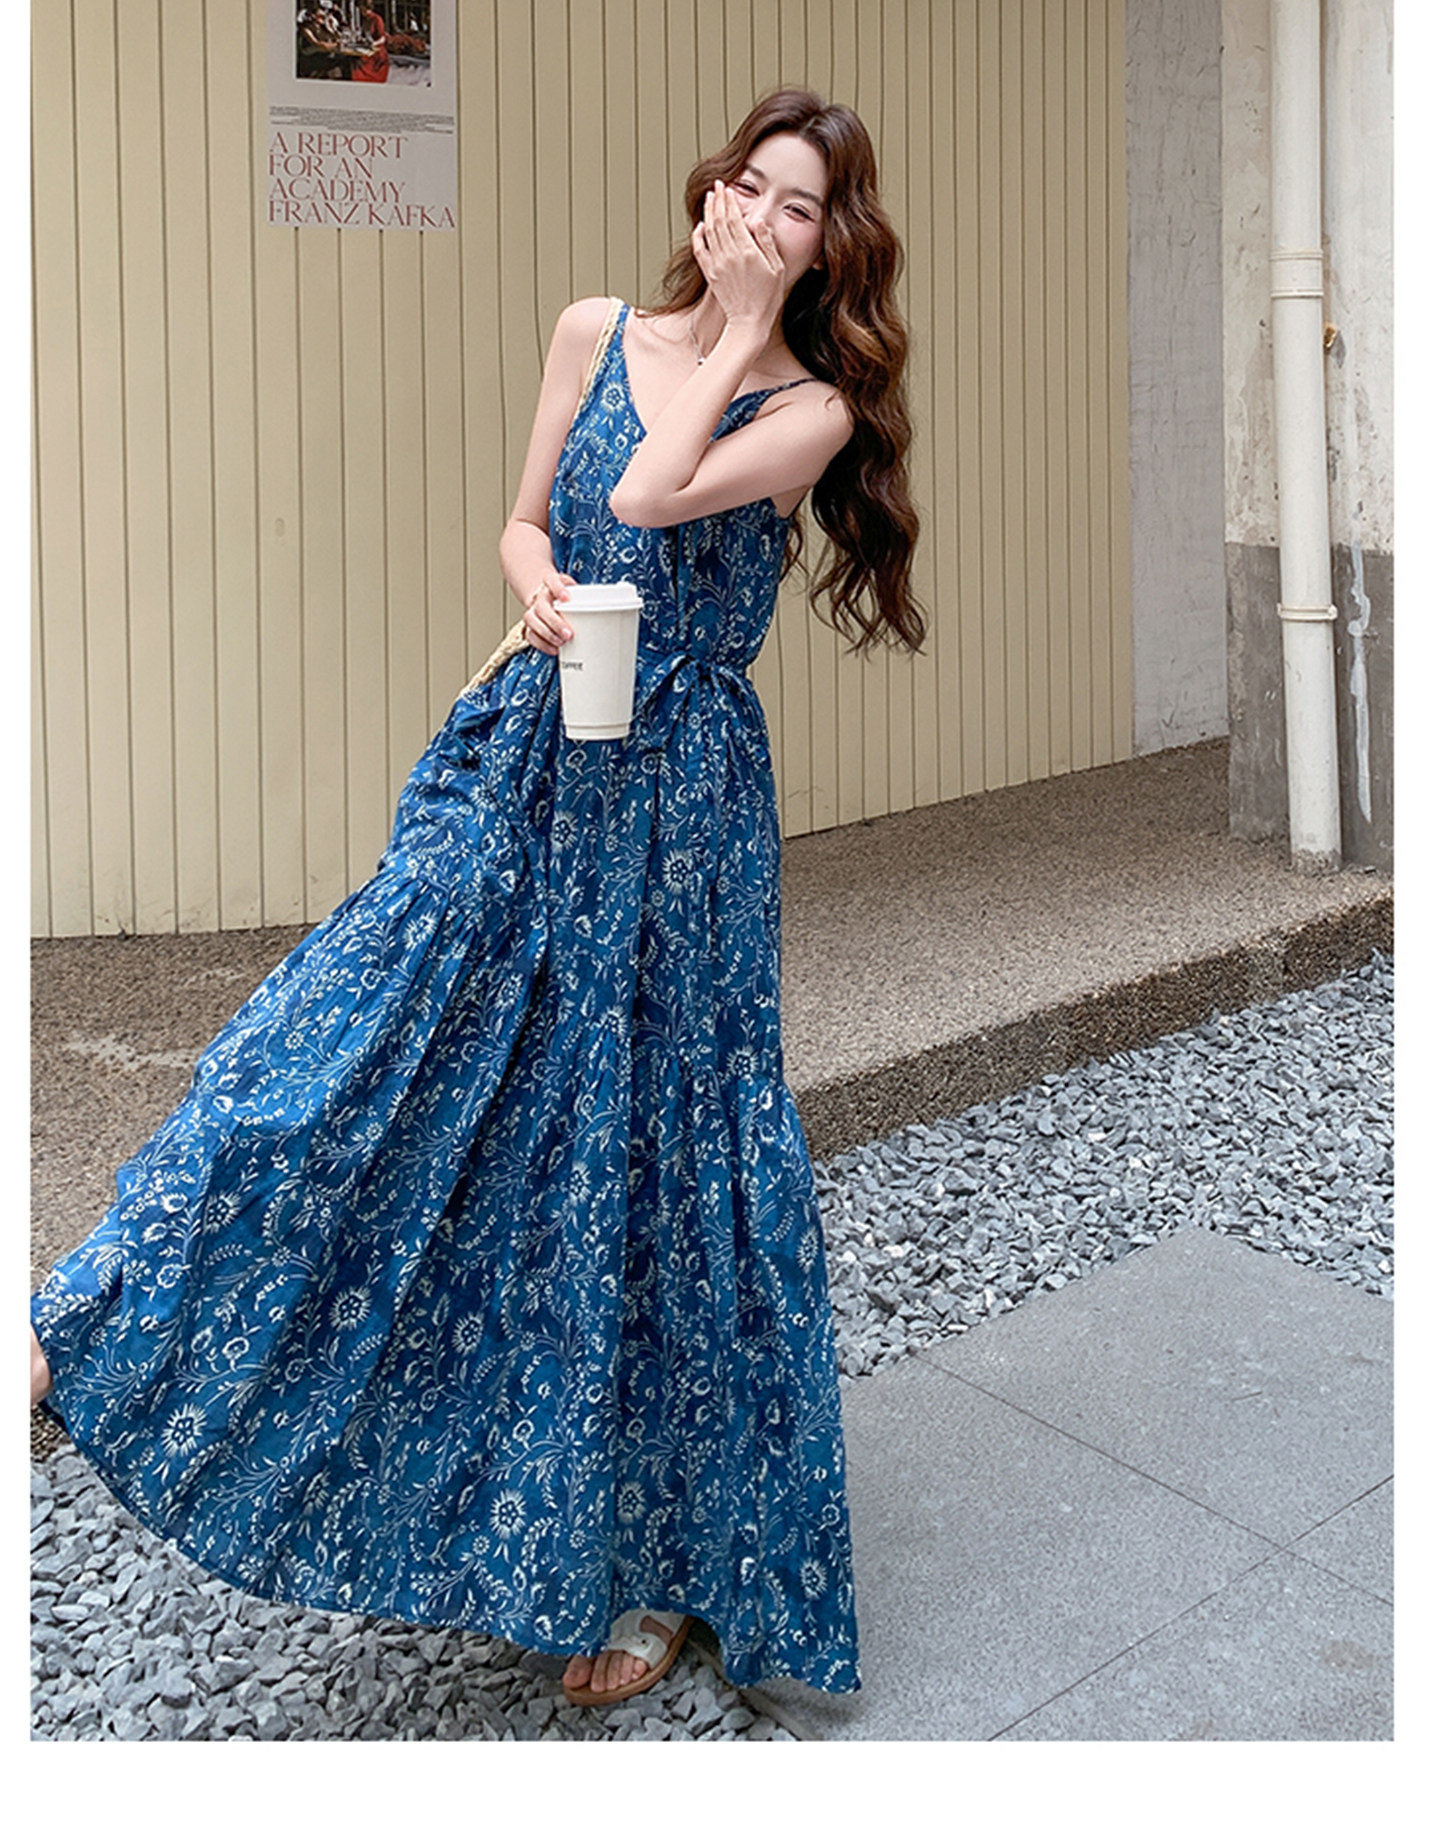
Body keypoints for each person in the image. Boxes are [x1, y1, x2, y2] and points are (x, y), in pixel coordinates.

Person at [30, 85, 924, 1708]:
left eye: (800, 205)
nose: (765, 215)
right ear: (713, 189)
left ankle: (656, 1569)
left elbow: (648, 495)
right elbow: (532, 522)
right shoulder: (592, 327)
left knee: (652, 1148)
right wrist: (539, 586)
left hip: (680, 801)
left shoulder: (809, 408)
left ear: (828, 245)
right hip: (528, 739)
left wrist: (738, 329)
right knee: (354, 1025)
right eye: (752, 183)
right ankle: (101, 1304)